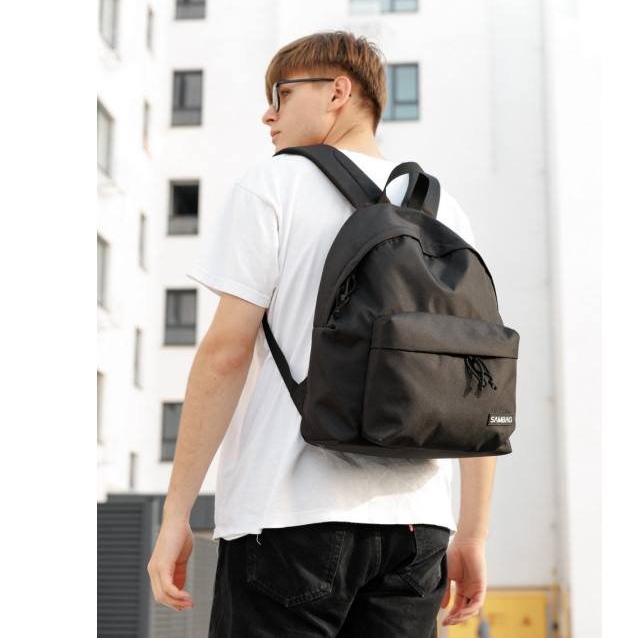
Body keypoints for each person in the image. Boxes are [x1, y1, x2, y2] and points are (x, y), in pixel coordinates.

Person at [147, 31, 497, 637]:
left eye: (281, 95)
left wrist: (176, 513)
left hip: (287, 518)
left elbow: (225, 355)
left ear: (337, 91)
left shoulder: (274, 185)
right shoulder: (445, 212)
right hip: (416, 533)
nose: (268, 114)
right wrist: (473, 533)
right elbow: (478, 380)